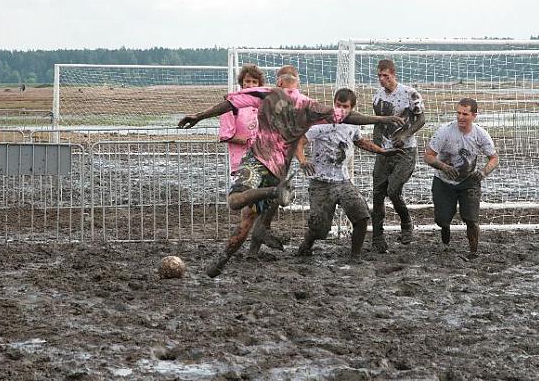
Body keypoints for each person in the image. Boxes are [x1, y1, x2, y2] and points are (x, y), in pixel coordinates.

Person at [178, 65, 406, 277]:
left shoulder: (267, 93)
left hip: (257, 160)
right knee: (248, 219)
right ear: (297, 84)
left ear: (279, 82)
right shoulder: (307, 104)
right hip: (278, 172)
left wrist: (198, 116)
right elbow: (348, 116)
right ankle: (220, 261)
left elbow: (230, 103)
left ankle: (232, 248)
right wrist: (383, 118)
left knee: (236, 202)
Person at [295, 88, 402, 263]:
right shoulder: (321, 123)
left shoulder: (353, 124)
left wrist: (382, 151)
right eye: (338, 105)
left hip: (343, 181)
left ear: (352, 108)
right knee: (320, 228)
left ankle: (355, 256)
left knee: (361, 217)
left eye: (345, 107)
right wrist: (302, 160)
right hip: (320, 182)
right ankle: (306, 245)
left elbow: (360, 141)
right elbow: (299, 141)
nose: (341, 110)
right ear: (333, 103)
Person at [423, 98, 499, 257]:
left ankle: (473, 251)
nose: (460, 117)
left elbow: (494, 158)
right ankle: (445, 239)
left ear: (474, 116)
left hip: (469, 181)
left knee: (471, 219)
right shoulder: (444, 132)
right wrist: (443, 166)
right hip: (443, 181)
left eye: (465, 114)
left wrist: (484, 172)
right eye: (458, 113)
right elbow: (428, 156)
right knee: (442, 219)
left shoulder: (480, 134)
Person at [218, 64, 277, 257]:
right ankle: (230, 252)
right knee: (249, 209)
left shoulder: (264, 105)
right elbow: (225, 134)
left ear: (259, 84)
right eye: (247, 82)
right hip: (242, 161)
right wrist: (247, 140)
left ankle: (252, 249)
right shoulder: (232, 106)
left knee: (262, 206)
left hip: (264, 160)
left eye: (254, 82)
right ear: (241, 84)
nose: (250, 85)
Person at [371, 59, 425, 253]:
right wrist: (376, 144)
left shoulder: (410, 94)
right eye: (379, 76)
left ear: (394, 74)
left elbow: (422, 119)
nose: (382, 79)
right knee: (377, 193)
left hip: (406, 151)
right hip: (385, 151)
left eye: (385, 76)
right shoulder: (377, 97)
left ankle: (406, 224)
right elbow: (378, 122)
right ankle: (377, 235)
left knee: (393, 190)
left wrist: (405, 134)